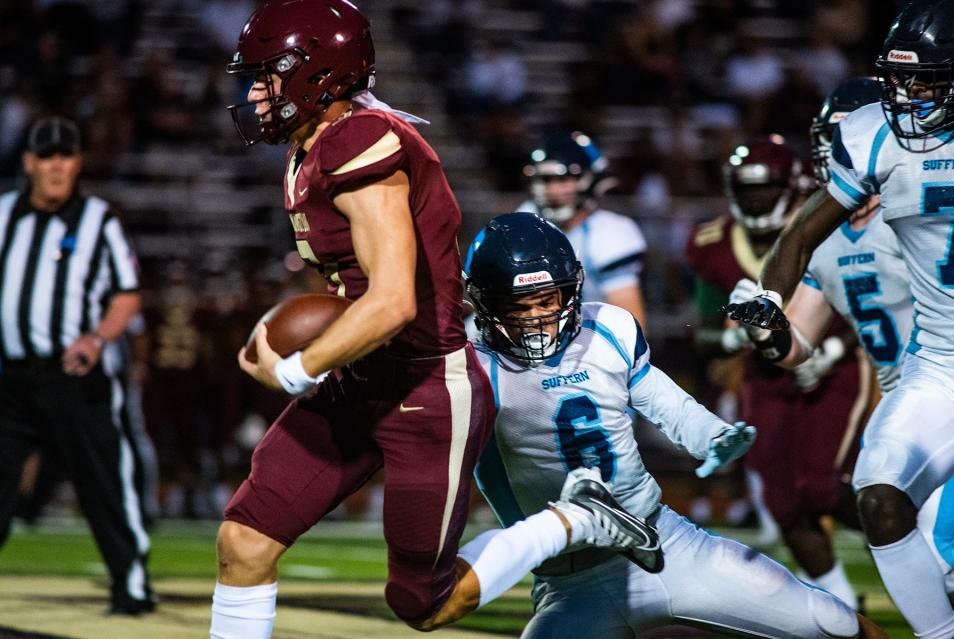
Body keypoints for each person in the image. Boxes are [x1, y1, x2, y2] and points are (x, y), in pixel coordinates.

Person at [212, 2, 656, 637]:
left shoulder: (358, 139)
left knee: (421, 603)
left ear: (317, 73)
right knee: (245, 543)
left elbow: (394, 301)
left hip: (426, 390)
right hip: (362, 378)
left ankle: (577, 518)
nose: (256, 91)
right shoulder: (313, 142)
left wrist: (294, 368)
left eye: (269, 74)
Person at [464, 211, 887, 638]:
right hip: (568, 582)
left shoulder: (606, 328)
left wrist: (711, 434)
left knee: (834, 624)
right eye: (519, 307)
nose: (537, 318)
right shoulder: (467, 367)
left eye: (547, 300)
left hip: (665, 543)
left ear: (570, 290)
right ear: (485, 306)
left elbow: (668, 404)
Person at [726, 1, 954, 634]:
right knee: (879, 498)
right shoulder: (875, 137)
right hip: (939, 369)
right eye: (901, 80)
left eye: (928, 81)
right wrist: (768, 312)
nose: (910, 97)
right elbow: (799, 238)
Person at [687, 135, 869, 609]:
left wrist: (830, 348)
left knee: (824, 487)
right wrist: (730, 338)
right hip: (764, 378)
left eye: (765, 189)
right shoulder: (715, 243)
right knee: (783, 502)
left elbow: (865, 296)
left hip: (832, 368)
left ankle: (914, 541)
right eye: (747, 191)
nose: (755, 200)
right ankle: (842, 602)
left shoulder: (823, 223)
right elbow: (701, 330)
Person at [0, 116, 152, 614]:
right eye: (47, 156)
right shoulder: (2, 216)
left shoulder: (97, 220)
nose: (57, 166)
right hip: (12, 380)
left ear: (78, 162)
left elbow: (127, 296)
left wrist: (97, 339)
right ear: (29, 164)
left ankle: (130, 583)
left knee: (104, 482)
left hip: (76, 376)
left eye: (66, 156)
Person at [517, 132, 646, 324]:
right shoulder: (524, 221)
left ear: (590, 180)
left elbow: (628, 325)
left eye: (563, 180)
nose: (553, 191)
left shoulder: (609, 233)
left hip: (589, 344)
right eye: (546, 180)